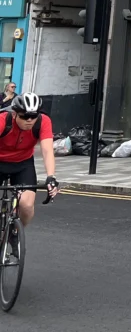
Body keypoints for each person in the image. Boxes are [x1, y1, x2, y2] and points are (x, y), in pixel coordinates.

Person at [0, 93, 58, 251]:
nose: (29, 120)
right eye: (24, 116)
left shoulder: (43, 121)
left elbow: (47, 150)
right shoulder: (3, 120)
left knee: (26, 204)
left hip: (23, 164)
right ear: (14, 113)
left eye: (33, 116)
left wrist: (51, 177)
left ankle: (14, 232)